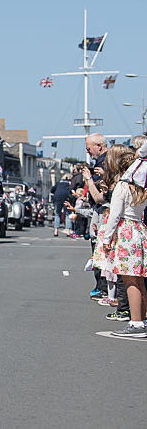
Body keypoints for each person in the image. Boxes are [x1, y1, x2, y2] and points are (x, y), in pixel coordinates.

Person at [96, 145, 147, 338]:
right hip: (139, 228)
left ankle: (135, 324)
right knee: (139, 279)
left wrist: (107, 239)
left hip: (125, 231)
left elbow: (114, 215)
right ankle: (141, 318)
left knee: (129, 279)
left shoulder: (122, 186)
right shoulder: (141, 187)